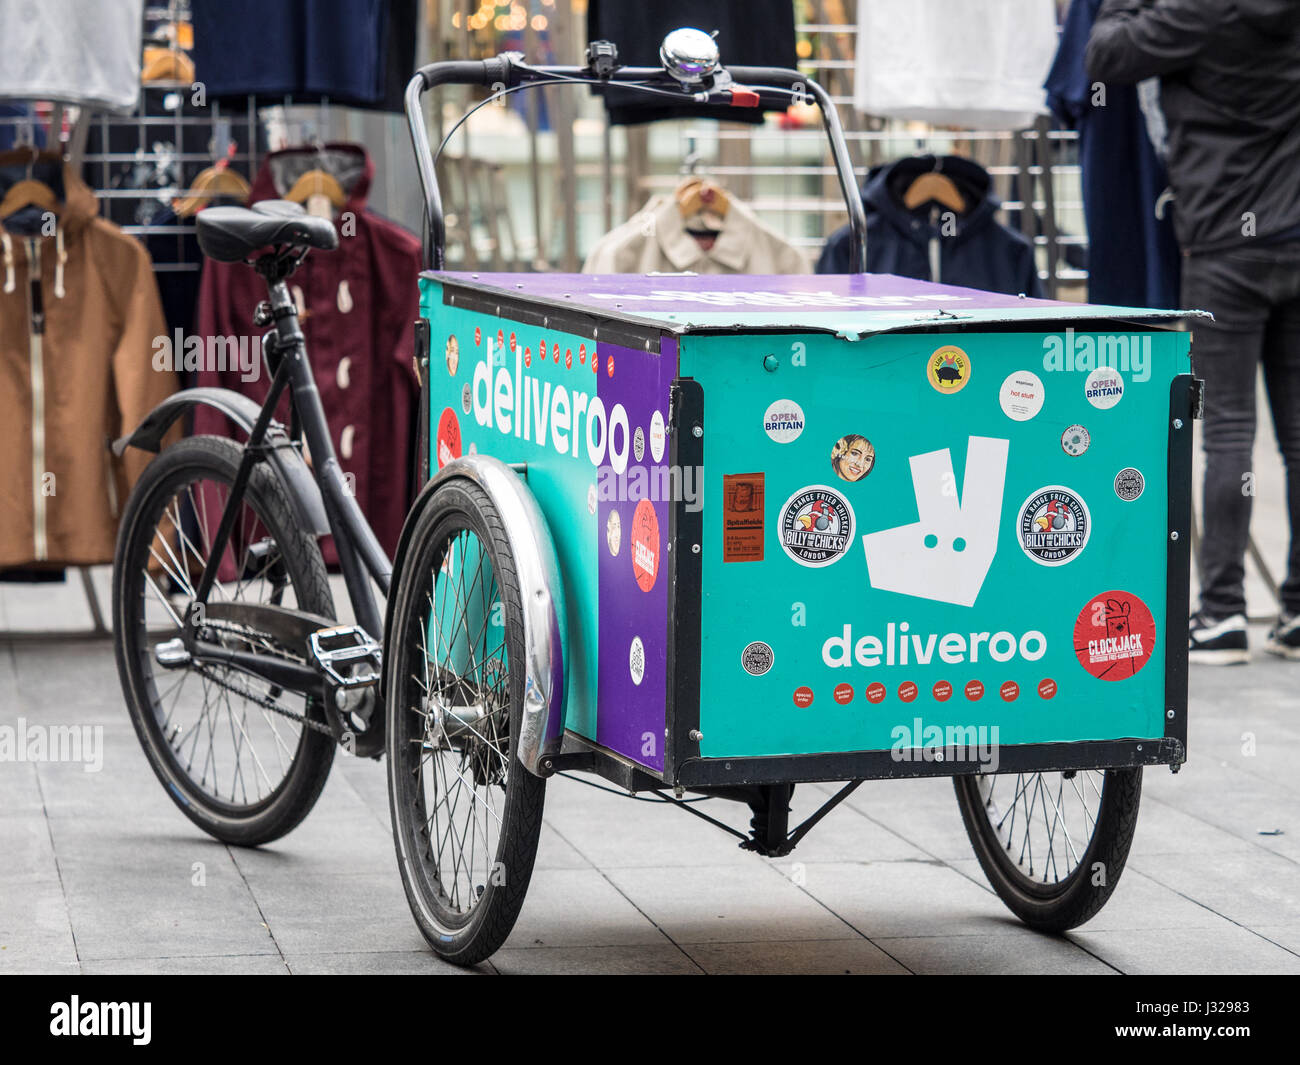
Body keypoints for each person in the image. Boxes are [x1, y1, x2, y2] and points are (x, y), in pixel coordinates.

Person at [1088, 0, 1300, 665]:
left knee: (1228, 432)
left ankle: (1222, 612)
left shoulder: (1200, 10)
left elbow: (1105, 50)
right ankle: (1295, 607)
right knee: (1297, 436)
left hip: (1223, 241)